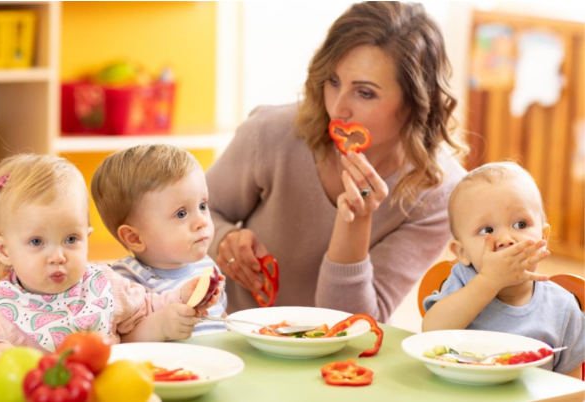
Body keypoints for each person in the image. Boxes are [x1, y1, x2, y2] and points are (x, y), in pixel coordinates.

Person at [206, 1, 467, 320]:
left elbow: (355, 323)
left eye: (365, 93)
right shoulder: (270, 133)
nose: (338, 109)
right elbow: (195, 211)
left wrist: (355, 222)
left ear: (415, 102)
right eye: (333, 81)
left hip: (336, 349)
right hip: (232, 332)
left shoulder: (438, 194)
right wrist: (223, 239)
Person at [0, 154, 221, 373]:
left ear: (87, 237)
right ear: (4, 250)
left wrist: (181, 296)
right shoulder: (0, 311)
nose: (58, 256)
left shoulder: (105, 284)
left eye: (71, 239)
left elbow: (148, 306)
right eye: (37, 242)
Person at [422, 162, 584, 378]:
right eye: (486, 230)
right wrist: (488, 281)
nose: (506, 239)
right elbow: (431, 333)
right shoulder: (462, 282)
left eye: (520, 225)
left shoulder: (563, 308)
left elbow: (572, 387)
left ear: (543, 238)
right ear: (462, 252)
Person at [91, 144, 227, 335]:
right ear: (134, 238)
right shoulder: (125, 280)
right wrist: (160, 327)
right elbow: (120, 340)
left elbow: (221, 317)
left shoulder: (206, 266)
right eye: (181, 214)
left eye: (203, 206)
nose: (201, 221)